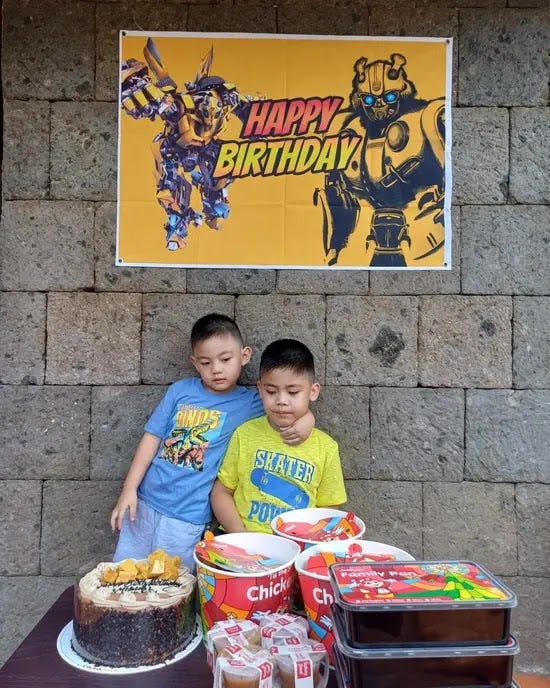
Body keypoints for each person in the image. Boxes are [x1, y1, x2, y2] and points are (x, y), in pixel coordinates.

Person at [110, 315, 314, 569]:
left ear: (245, 355)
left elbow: (283, 408)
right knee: (125, 571)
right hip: (144, 502)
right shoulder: (180, 391)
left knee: (173, 583)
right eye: (206, 362)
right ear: (195, 363)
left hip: (188, 515)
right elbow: (152, 437)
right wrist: (129, 489)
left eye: (225, 359)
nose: (216, 369)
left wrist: (308, 419)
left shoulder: (251, 402)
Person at [211, 339, 347, 534]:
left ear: (313, 391)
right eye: (271, 391)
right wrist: (240, 535)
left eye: (293, 392)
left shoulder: (326, 448)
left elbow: (330, 510)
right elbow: (221, 492)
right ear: (260, 389)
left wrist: (303, 544)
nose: (281, 401)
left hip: (295, 547)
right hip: (240, 540)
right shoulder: (245, 434)